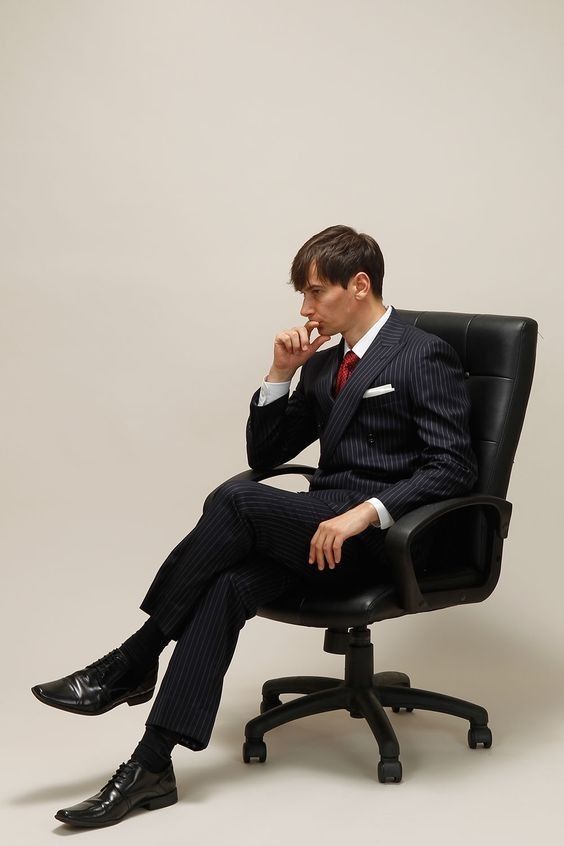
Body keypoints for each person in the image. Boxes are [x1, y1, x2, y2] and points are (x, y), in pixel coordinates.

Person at [32, 225, 477, 828]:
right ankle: (150, 767)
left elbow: (453, 466)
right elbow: (267, 456)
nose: (304, 307)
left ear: (361, 285)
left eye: (317, 292)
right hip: (319, 530)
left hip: (384, 537)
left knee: (235, 502)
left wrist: (363, 515)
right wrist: (280, 373)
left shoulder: (420, 352)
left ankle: (134, 659)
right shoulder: (324, 364)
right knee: (226, 585)